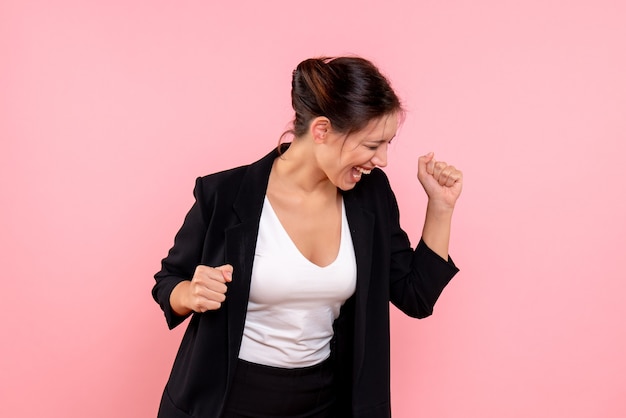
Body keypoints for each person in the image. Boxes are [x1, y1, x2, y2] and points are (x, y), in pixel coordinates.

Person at [152, 56, 463, 418]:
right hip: (225, 400)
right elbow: (168, 282)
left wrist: (440, 209)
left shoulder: (372, 195)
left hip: (325, 401)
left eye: (387, 144)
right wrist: (189, 293)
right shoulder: (224, 193)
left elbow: (416, 296)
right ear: (321, 130)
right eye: (372, 144)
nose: (382, 160)